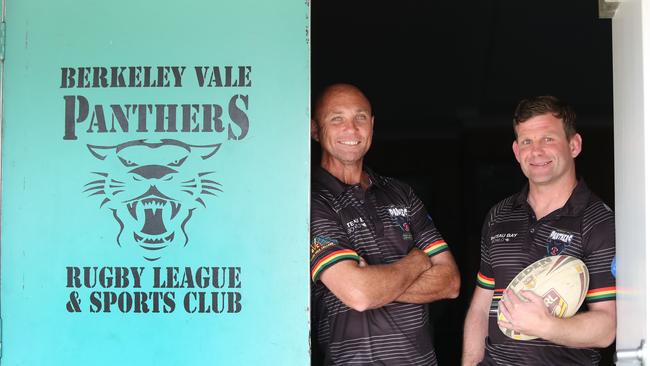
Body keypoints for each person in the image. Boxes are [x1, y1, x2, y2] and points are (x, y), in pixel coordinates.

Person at [309, 83, 460, 365]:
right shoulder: (312, 201)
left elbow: (450, 282)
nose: (352, 129)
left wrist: (374, 283)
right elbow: (359, 294)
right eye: (336, 118)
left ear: (372, 125)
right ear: (315, 130)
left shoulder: (401, 192)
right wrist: (417, 262)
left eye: (361, 117)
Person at [462, 96, 616, 365]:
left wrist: (546, 326)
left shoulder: (598, 221)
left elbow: (607, 327)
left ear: (574, 145)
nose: (536, 151)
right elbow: (481, 307)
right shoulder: (498, 216)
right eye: (527, 142)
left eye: (548, 139)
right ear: (516, 150)